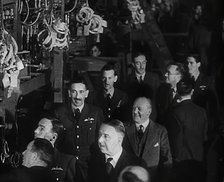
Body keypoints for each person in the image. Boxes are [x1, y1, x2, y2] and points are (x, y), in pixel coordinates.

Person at [54, 76, 104, 182]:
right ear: (69, 93)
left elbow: (100, 140)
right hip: (66, 164)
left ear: (86, 93)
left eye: (81, 92)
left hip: (89, 165)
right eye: (74, 92)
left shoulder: (95, 112)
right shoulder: (60, 113)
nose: (77, 96)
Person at [166, 77, 208, 182]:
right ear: (192, 91)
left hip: (182, 163)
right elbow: (205, 137)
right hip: (199, 160)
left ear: (178, 92)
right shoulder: (202, 112)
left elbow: (175, 141)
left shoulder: (174, 112)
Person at [123, 97, 172, 182]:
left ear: (149, 112)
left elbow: (166, 160)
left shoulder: (160, 131)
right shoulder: (124, 128)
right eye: (133, 108)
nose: (135, 112)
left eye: (139, 109)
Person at [34, 116, 76, 182]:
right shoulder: (25, 156)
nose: (35, 131)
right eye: (37, 127)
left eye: (41, 128)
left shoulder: (67, 161)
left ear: (53, 137)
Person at [126, 52, 160, 121]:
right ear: (133, 64)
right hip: (134, 117)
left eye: (143, 63)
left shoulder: (154, 78)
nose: (142, 66)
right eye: (138, 63)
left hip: (151, 117)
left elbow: (158, 99)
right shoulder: (128, 80)